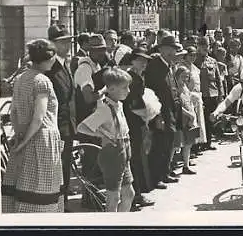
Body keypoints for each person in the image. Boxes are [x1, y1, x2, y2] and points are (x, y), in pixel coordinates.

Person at [2, 39, 64, 213]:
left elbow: (13, 111)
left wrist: (20, 135)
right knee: (42, 191)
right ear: (48, 58)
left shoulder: (21, 78)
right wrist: (24, 141)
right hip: (42, 139)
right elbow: (39, 117)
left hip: (24, 134)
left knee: (23, 185)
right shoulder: (42, 81)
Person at [77, 67, 135, 212]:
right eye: (124, 87)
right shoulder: (104, 108)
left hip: (124, 148)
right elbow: (82, 127)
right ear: (112, 89)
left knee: (129, 194)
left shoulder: (118, 104)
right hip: (113, 153)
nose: (128, 91)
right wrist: (103, 135)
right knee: (113, 198)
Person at [73, 34, 109, 208]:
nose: (101, 53)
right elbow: (88, 97)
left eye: (103, 50)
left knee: (96, 158)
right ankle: (88, 198)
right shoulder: (85, 69)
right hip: (87, 120)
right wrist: (104, 91)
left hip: (95, 119)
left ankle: (93, 194)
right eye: (97, 50)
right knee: (90, 158)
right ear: (90, 51)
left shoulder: (97, 65)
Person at [45, 25, 76, 211]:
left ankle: (62, 202)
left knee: (65, 167)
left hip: (67, 126)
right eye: (64, 41)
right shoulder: (51, 68)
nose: (68, 44)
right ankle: (58, 204)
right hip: (57, 127)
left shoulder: (64, 63)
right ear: (53, 44)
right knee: (58, 168)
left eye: (69, 40)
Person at [144, 35, 181, 189]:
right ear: (162, 50)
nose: (173, 52)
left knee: (168, 143)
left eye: (174, 50)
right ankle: (156, 177)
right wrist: (157, 115)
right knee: (159, 145)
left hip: (170, 109)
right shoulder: (155, 65)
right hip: (160, 111)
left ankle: (164, 173)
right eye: (171, 49)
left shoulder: (168, 65)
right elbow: (152, 91)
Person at [122, 48, 157, 208]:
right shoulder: (132, 78)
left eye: (146, 61)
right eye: (140, 60)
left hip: (136, 121)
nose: (144, 63)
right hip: (133, 122)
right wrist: (147, 115)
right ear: (133, 60)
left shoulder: (137, 77)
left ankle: (136, 194)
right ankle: (135, 196)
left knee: (137, 158)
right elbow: (132, 105)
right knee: (136, 159)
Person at [194, 36, 223, 151]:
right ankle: (198, 144)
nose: (205, 48)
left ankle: (208, 142)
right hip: (201, 94)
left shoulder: (212, 61)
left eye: (207, 46)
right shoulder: (195, 60)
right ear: (198, 47)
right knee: (200, 120)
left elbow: (218, 79)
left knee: (210, 120)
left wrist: (221, 94)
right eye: (202, 46)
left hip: (213, 93)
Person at [174, 66, 201, 175]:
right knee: (176, 143)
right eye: (183, 76)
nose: (185, 78)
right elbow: (177, 105)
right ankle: (171, 167)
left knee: (188, 143)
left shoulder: (185, 86)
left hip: (189, 118)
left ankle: (186, 165)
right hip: (181, 118)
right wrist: (189, 114)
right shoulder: (175, 88)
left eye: (187, 76)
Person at [180, 46, 206, 158]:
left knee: (198, 122)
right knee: (190, 123)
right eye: (191, 55)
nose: (193, 57)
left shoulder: (195, 68)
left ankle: (195, 147)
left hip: (197, 96)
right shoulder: (182, 67)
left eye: (195, 55)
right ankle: (187, 151)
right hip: (188, 96)